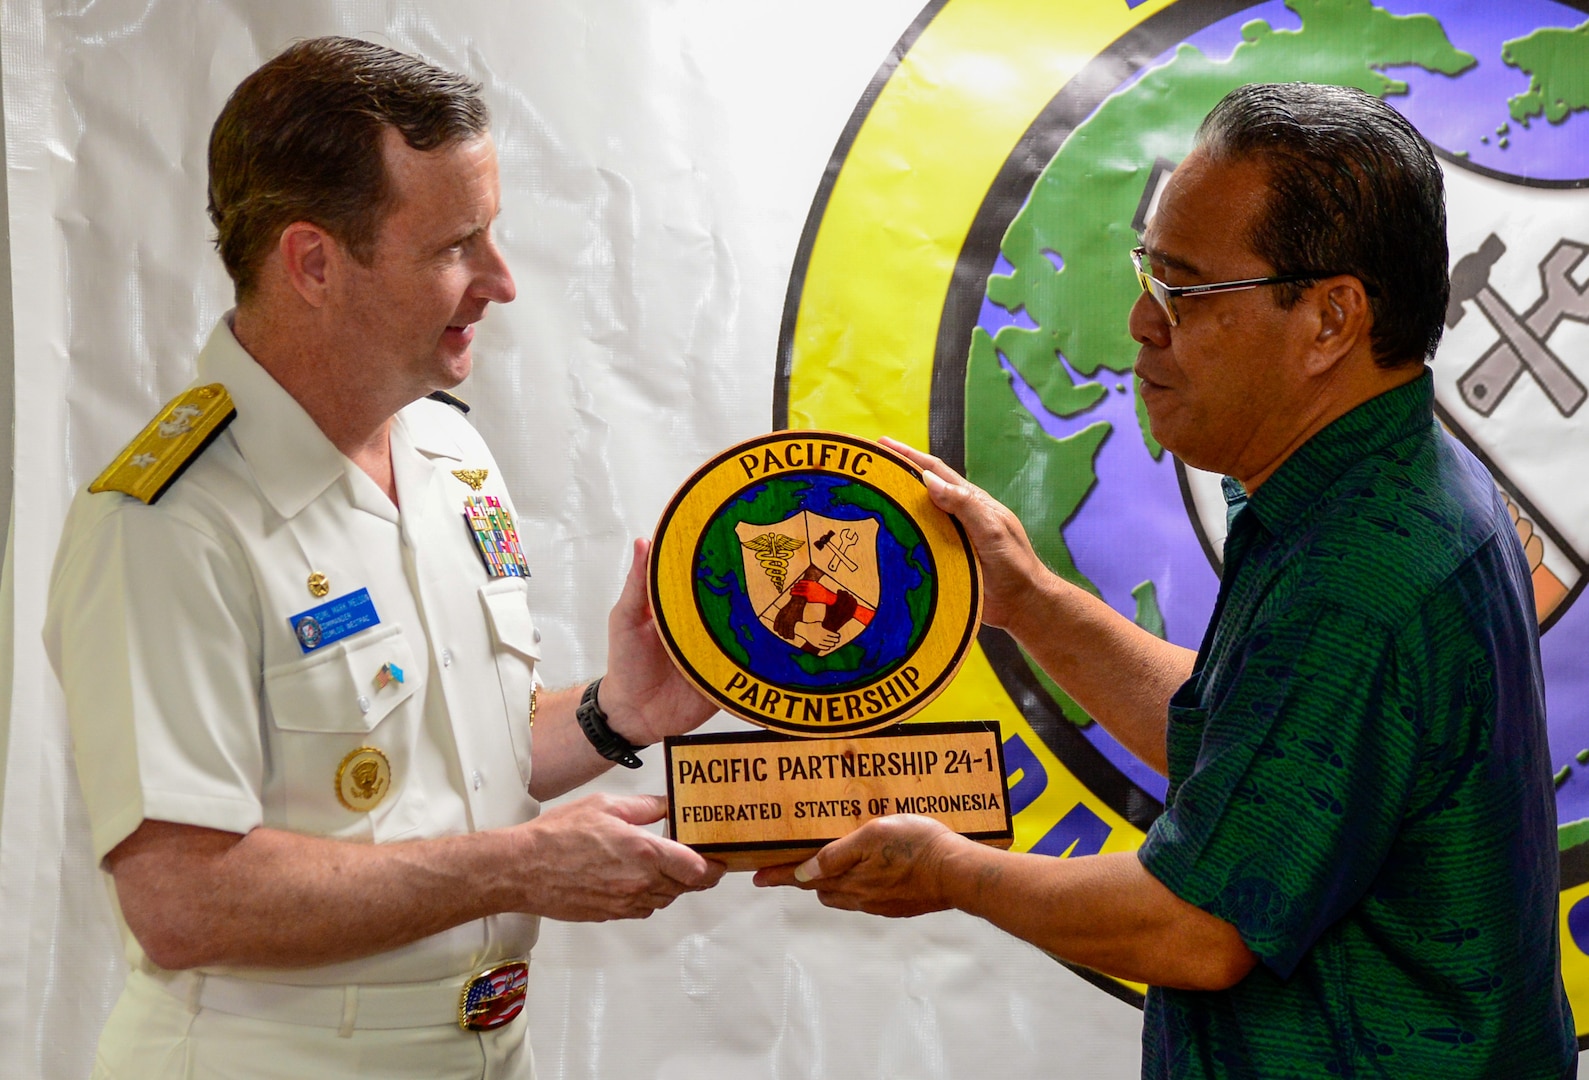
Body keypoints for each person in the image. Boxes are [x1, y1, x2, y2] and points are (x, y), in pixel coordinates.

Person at [758, 82, 1577, 1077]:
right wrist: (1022, 598)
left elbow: (1195, 929)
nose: (1141, 325)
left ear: (1329, 319)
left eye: (1183, 292)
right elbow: (1246, 747)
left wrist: (946, 870)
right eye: (1148, 272)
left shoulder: (1364, 576)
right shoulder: (1369, 484)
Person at [44, 37, 724, 1079]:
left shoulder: (443, 448)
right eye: (457, 245)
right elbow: (182, 899)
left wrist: (613, 714)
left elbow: (436, 762)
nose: (499, 282)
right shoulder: (167, 523)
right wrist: (519, 867)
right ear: (312, 263)